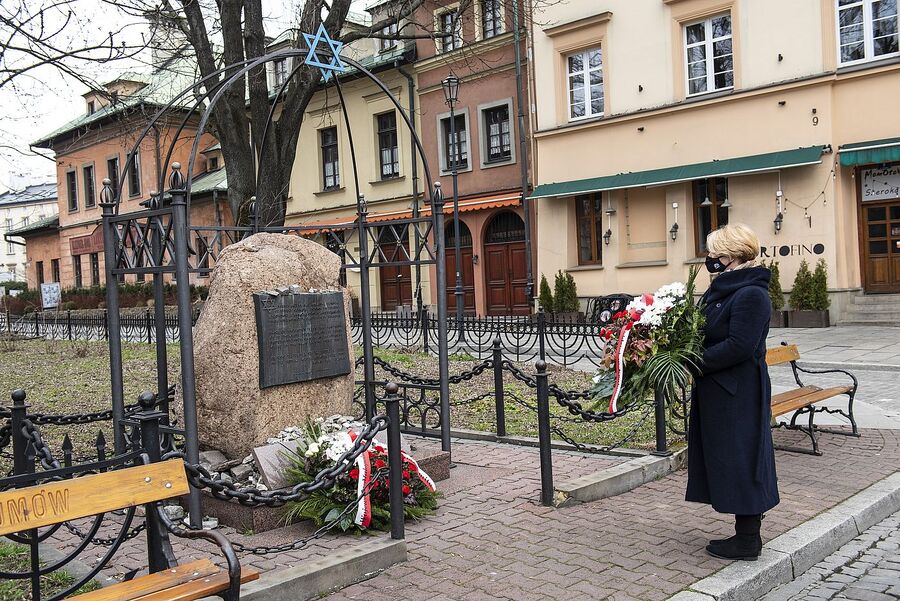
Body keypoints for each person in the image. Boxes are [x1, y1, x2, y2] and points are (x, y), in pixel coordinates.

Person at [685, 223, 779, 561]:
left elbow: (740, 346)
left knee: (743, 458)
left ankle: (748, 540)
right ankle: (744, 535)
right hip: (719, 391)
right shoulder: (722, 290)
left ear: (732, 254)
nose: (709, 258)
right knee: (728, 458)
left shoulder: (751, 293)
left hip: (739, 393)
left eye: (714, 253)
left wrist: (693, 362)